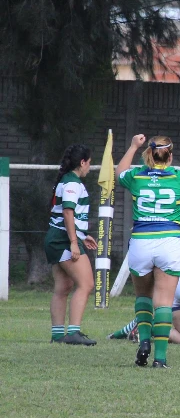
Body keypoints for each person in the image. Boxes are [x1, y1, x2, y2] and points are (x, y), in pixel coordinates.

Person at [117, 133, 180, 368]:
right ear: (170, 156)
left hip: (141, 240)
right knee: (163, 302)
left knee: (143, 297)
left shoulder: (136, 176)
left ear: (148, 155)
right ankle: (160, 358)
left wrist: (132, 146)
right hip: (169, 242)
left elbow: (118, 173)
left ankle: (144, 342)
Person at [45, 144, 99, 345]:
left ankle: (58, 335)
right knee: (86, 284)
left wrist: (82, 235)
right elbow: (68, 212)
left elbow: (64, 215)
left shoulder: (66, 180)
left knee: (63, 286)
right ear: (82, 162)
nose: (90, 167)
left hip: (56, 238)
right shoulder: (72, 183)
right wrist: (75, 242)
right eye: (89, 162)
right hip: (63, 240)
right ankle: (74, 333)